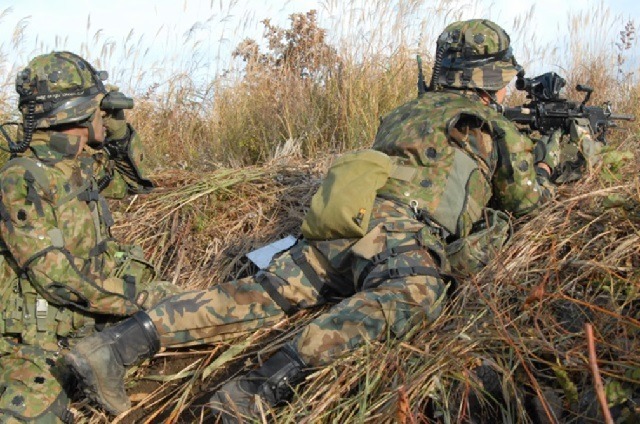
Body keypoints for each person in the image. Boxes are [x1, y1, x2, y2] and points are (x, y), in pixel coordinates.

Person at [63, 19, 599, 422]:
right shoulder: (487, 123)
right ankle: (257, 391)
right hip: (397, 237)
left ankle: (116, 346)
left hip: (346, 221)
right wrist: (553, 160)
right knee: (417, 293)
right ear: (489, 80)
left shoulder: (407, 111)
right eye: (503, 79)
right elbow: (529, 202)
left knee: (263, 293)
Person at [0, 51, 180, 423]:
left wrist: (117, 127)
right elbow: (57, 280)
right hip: (36, 343)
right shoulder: (22, 178)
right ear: (75, 112)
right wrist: (140, 298)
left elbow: (136, 183)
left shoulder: (78, 164)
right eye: (99, 107)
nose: (104, 112)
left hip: (91, 322)